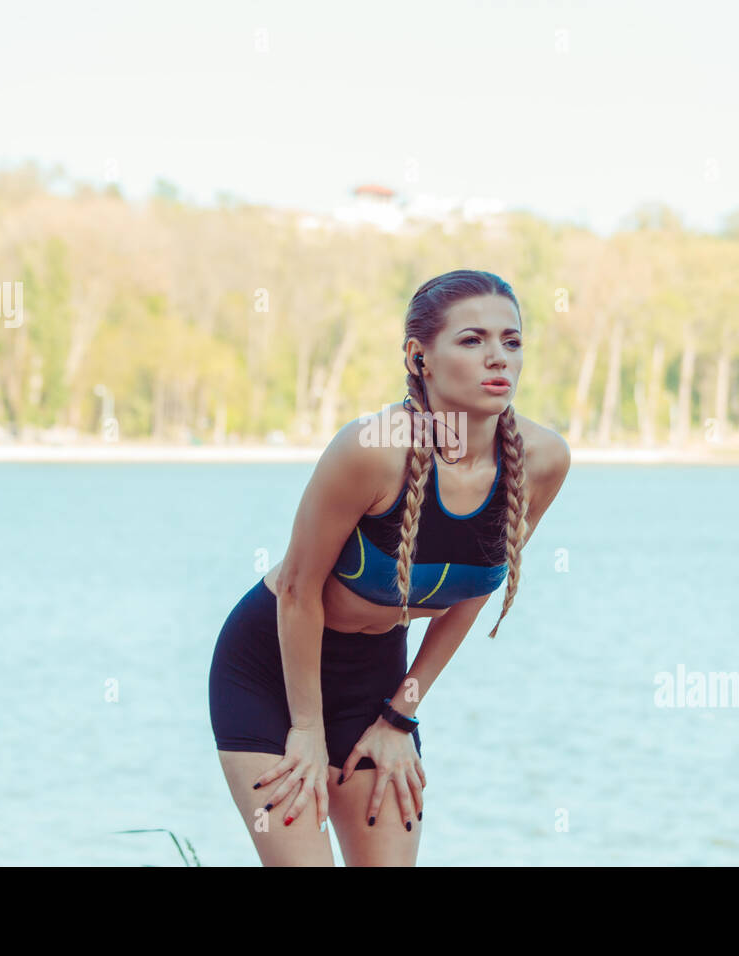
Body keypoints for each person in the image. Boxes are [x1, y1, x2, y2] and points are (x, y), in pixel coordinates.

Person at [208, 269, 570, 865]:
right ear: (419, 355)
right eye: (472, 340)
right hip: (273, 668)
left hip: (377, 679)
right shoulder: (371, 448)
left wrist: (401, 713)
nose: (497, 357)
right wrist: (307, 730)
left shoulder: (542, 460)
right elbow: (299, 591)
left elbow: (473, 592)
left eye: (511, 341)